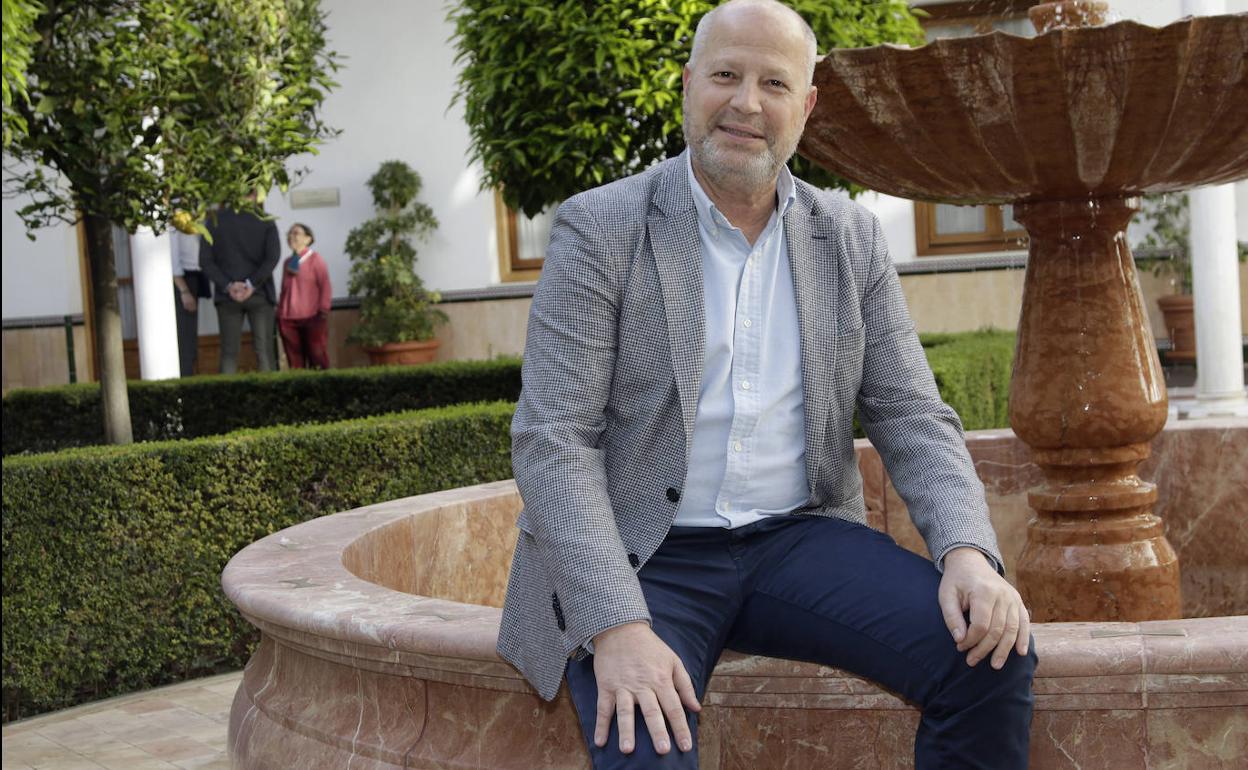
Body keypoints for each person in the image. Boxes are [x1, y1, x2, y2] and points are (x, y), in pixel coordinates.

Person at [497, 1, 1037, 768]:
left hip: (798, 540)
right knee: (644, 738)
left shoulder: (849, 239)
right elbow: (554, 440)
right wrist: (616, 627)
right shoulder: (601, 228)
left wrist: (968, 553)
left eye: (774, 84)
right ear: (688, 86)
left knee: (990, 654)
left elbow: (913, 415)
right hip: (646, 558)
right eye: (726, 75)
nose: (746, 103)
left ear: (805, 107)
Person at [199, 203, 280, 373]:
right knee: (264, 351)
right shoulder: (265, 219)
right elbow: (272, 257)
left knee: (229, 353)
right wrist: (251, 283)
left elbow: (205, 261)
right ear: (254, 193)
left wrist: (228, 285)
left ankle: (226, 397)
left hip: (228, 296)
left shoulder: (214, 220)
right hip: (260, 294)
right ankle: (270, 396)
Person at [277, 222, 332, 369]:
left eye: (296, 233)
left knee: (317, 357)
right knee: (295, 362)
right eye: (289, 233)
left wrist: (323, 310)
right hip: (288, 319)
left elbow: (325, 285)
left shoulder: (315, 260)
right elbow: (284, 290)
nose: (291, 237)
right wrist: (280, 312)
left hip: (312, 317)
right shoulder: (287, 263)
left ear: (308, 239)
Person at [171, 228, 210, 376]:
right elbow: (173, 257)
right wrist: (184, 290)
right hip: (183, 280)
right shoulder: (175, 219)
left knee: (190, 340)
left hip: (193, 277)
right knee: (185, 341)